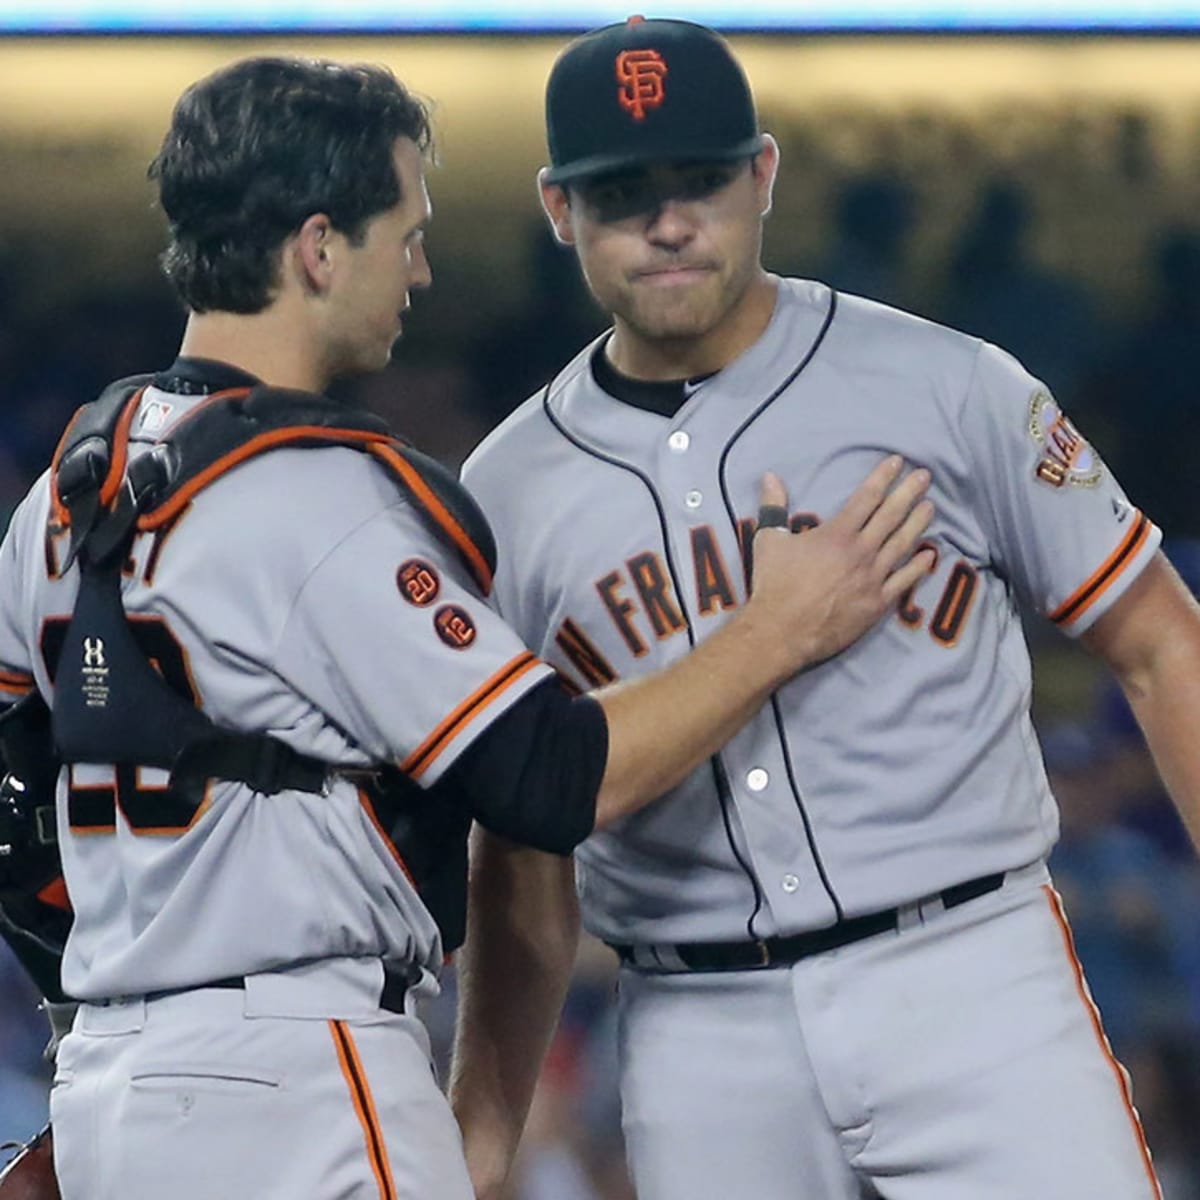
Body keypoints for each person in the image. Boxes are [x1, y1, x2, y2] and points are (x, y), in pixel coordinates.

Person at [0, 54, 935, 1200]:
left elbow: (12, 805)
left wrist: (107, 1001)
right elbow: (549, 778)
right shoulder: (319, 499)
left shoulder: (67, 489)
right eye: (405, 233)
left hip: (105, 1087)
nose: (423, 269)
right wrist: (778, 629)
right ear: (318, 248)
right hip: (297, 1075)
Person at [450, 16, 1200, 1200]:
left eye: (698, 179)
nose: (668, 222)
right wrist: (484, 1125)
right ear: (558, 209)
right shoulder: (503, 492)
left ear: (763, 175)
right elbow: (522, 843)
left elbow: (1160, 641)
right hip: (699, 1027)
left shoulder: (947, 385)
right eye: (620, 193)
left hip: (971, 975)